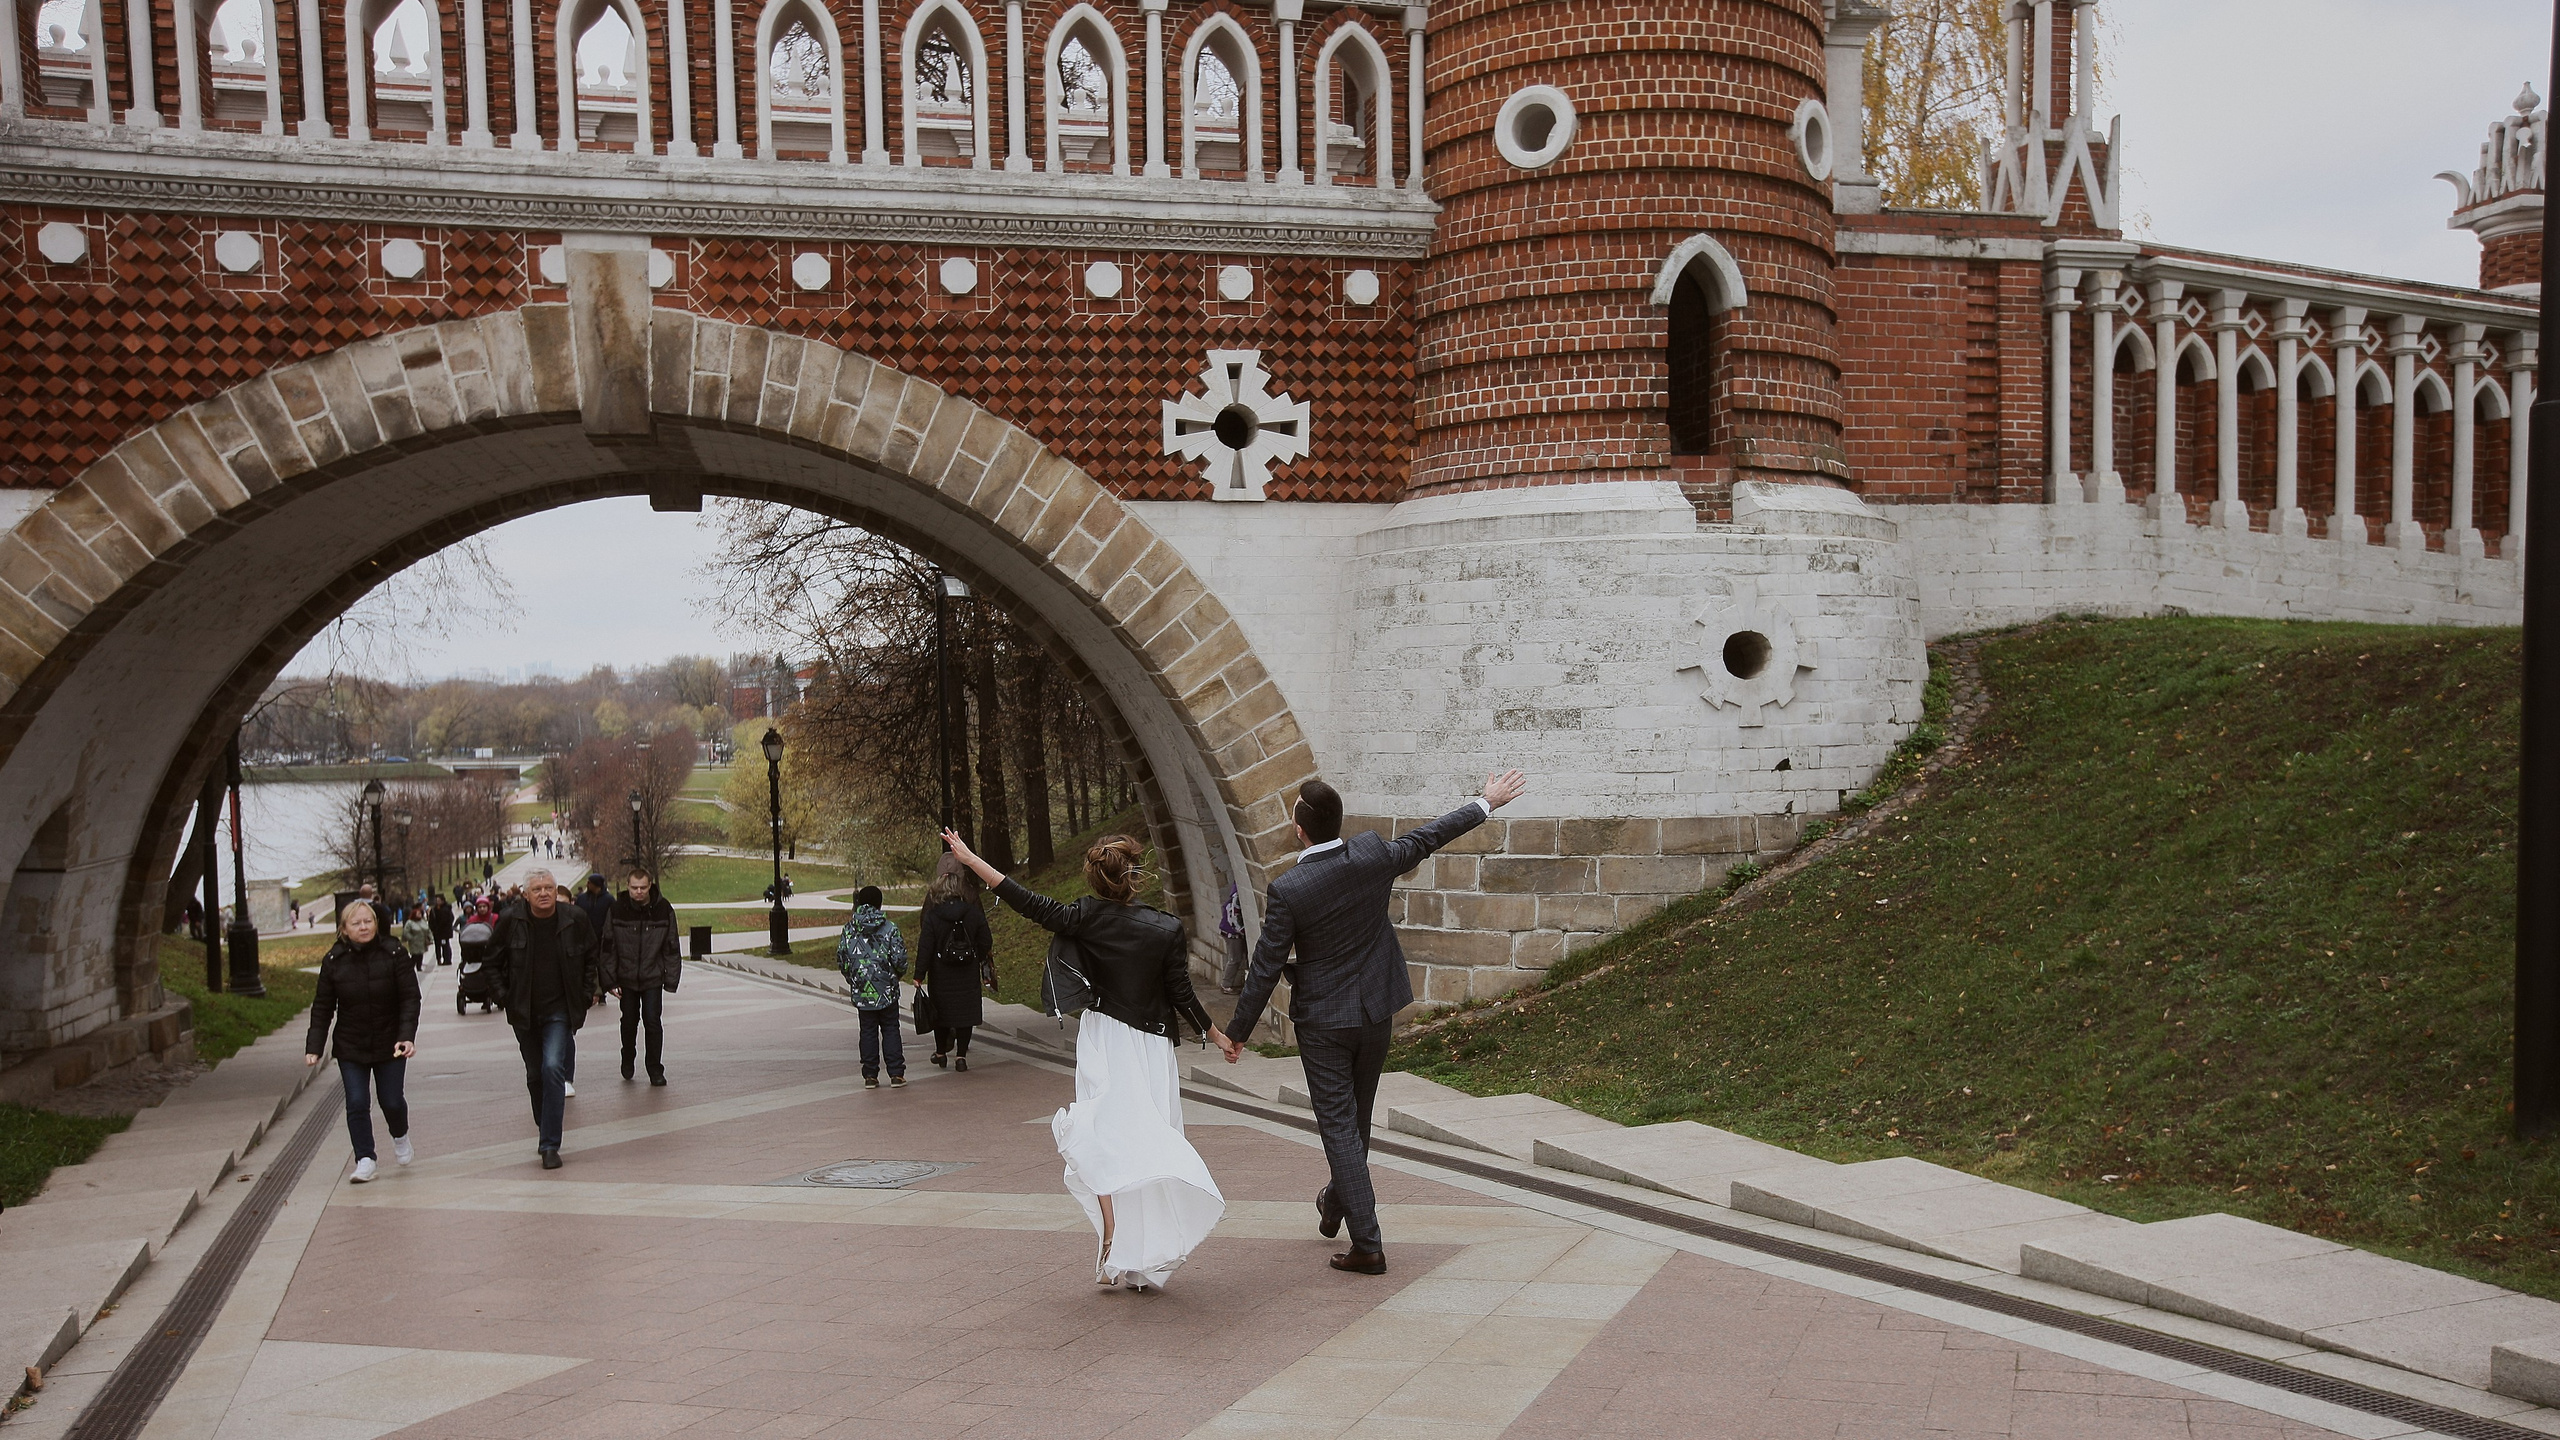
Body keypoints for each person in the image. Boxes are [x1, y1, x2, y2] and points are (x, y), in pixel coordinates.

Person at [1220, 769, 1529, 1275]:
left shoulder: (1290, 889)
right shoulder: (1370, 854)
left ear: (1300, 830)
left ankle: (1367, 1244)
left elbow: (1266, 964)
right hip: (1375, 1012)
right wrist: (1485, 803)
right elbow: (1429, 836)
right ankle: (1337, 1203)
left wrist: (1237, 1032)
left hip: (1323, 1021)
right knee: (1355, 1122)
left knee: (1340, 1127)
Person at [944, 828, 1230, 1292]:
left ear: (1096, 879)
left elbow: (1023, 899)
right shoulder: (1166, 929)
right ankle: (1141, 1252)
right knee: (1149, 1139)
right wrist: (1216, 1035)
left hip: (1104, 1039)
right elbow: (1181, 993)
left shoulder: (1083, 917)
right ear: (1134, 877)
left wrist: (972, 859)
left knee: (1101, 1136)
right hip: (1151, 1045)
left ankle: (1114, 1236)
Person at [303, 900, 422, 1182]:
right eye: (356, 923)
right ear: (344, 929)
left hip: (389, 1041)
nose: (363, 927)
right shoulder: (334, 961)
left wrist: (406, 1036)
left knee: (391, 1100)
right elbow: (322, 1005)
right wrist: (314, 1046)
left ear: (376, 924)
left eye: (367, 921)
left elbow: (410, 998)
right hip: (350, 1044)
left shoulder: (394, 953)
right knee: (357, 1101)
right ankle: (365, 1158)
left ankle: (400, 1135)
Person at [496, 868, 600, 1168]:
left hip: (560, 1010)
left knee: (553, 1066)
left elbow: (591, 956)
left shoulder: (574, 919)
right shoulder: (510, 922)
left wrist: (584, 993)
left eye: (549, 888)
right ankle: (546, 1126)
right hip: (524, 1011)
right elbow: (493, 962)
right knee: (535, 1074)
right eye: (537, 889)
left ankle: (550, 1144)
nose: (544, 893)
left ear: (557, 891)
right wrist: (504, 996)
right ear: (525, 895)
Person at [601, 867, 680, 1086]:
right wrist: (610, 978)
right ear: (628, 886)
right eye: (634, 888)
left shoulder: (663, 909)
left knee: (652, 1022)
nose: (638, 892)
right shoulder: (617, 910)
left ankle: (655, 1068)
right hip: (626, 976)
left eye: (643, 887)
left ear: (650, 886)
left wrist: (671, 979)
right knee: (628, 1022)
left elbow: (671, 945)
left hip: (652, 976)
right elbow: (608, 945)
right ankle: (628, 1056)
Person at [915, 854, 994, 1071]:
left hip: (941, 972)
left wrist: (919, 974)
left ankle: (941, 1052)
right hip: (966, 971)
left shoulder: (933, 914)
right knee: (965, 1014)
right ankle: (961, 1056)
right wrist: (974, 955)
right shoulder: (972, 911)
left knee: (940, 1013)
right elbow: (986, 939)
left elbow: (925, 945)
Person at [836, 885, 908, 1089]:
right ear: (880, 903)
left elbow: (842, 957)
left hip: (862, 987)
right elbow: (899, 958)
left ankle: (870, 1074)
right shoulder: (890, 928)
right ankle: (896, 1072)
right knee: (891, 1028)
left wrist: (852, 977)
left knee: (867, 1030)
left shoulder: (849, 929)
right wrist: (896, 975)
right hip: (886, 987)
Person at [1217, 879, 1247, 995]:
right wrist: (1242, 931)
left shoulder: (1235, 895)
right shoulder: (1236, 898)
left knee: (1237, 957)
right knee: (1235, 958)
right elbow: (1234, 918)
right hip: (1232, 933)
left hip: (1232, 931)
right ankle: (1226, 985)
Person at [399, 904, 432, 970]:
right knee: (415, 955)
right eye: (418, 914)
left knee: (421, 954)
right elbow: (406, 932)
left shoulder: (422, 921)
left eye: (420, 914)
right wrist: (411, 938)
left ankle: (419, 967)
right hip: (414, 942)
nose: (420, 915)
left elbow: (428, 930)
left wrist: (430, 938)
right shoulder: (410, 922)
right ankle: (410, 967)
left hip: (422, 941)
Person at [428, 894, 455, 966]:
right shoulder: (433, 910)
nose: (437, 902)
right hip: (436, 932)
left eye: (439, 900)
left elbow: (450, 919)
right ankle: (439, 959)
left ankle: (447, 959)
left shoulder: (446, 909)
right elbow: (430, 920)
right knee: (437, 946)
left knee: (445, 945)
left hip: (444, 932)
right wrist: (433, 928)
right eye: (436, 900)